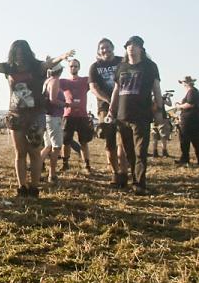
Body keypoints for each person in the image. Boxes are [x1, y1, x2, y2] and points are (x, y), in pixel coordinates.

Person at [0, 41, 74, 198]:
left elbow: (50, 63)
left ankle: (34, 188)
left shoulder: (37, 66)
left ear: (28, 53)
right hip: (16, 115)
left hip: (36, 115)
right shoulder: (9, 68)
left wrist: (63, 56)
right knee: (20, 153)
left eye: (22, 53)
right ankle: (22, 187)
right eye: (16, 53)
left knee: (34, 152)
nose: (19, 56)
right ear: (12, 54)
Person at [106, 36, 163, 196]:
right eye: (128, 45)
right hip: (123, 117)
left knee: (141, 151)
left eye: (135, 45)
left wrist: (159, 111)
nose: (131, 48)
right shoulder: (121, 67)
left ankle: (140, 184)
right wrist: (111, 110)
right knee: (129, 152)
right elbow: (116, 91)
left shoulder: (150, 67)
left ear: (141, 49)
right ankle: (135, 180)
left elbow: (156, 89)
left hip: (142, 116)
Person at [88, 38, 128, 187]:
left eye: (107, 47)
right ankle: (115, 172)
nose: (105, 50)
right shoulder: (95, 67)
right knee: (110, 141)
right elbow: (93, 88)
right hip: (105, 107)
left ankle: (124, 173)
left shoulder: (122, 62)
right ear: (99, 51)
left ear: (113, 48)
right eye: (102, 48)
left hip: (123, 105)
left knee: (123, 141)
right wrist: (110, 100)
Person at [60, 59, 94, 173]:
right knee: (66, 142)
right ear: (68, 68)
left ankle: (87, 165)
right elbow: (51, 81)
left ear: (79, 67)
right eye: (71, 66)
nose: (73, 68)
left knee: (84, 142)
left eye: (75, 66)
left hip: (82, 116)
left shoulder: (85, 80)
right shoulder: (63, 82)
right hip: (68, 115)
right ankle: (65, 164)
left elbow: (95, 83)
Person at [40, 64, 65, 182]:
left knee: (48, 146)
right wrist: (67, 104)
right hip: (54, 117)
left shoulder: (47, 81)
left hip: (47, 116)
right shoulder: (55, 81)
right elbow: (53, 100)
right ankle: (52, 174)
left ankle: (37, 169)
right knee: (56, 147)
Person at [175, 76, 199, 166]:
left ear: (186, 83)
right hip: (193, 119)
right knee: (195, 140)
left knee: (185, 139)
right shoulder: (194, 91)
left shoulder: (191, 92)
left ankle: (185, 160)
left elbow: (190, 104)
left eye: (183, 83)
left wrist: (179, 106)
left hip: (189, 120)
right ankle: (185, 159)